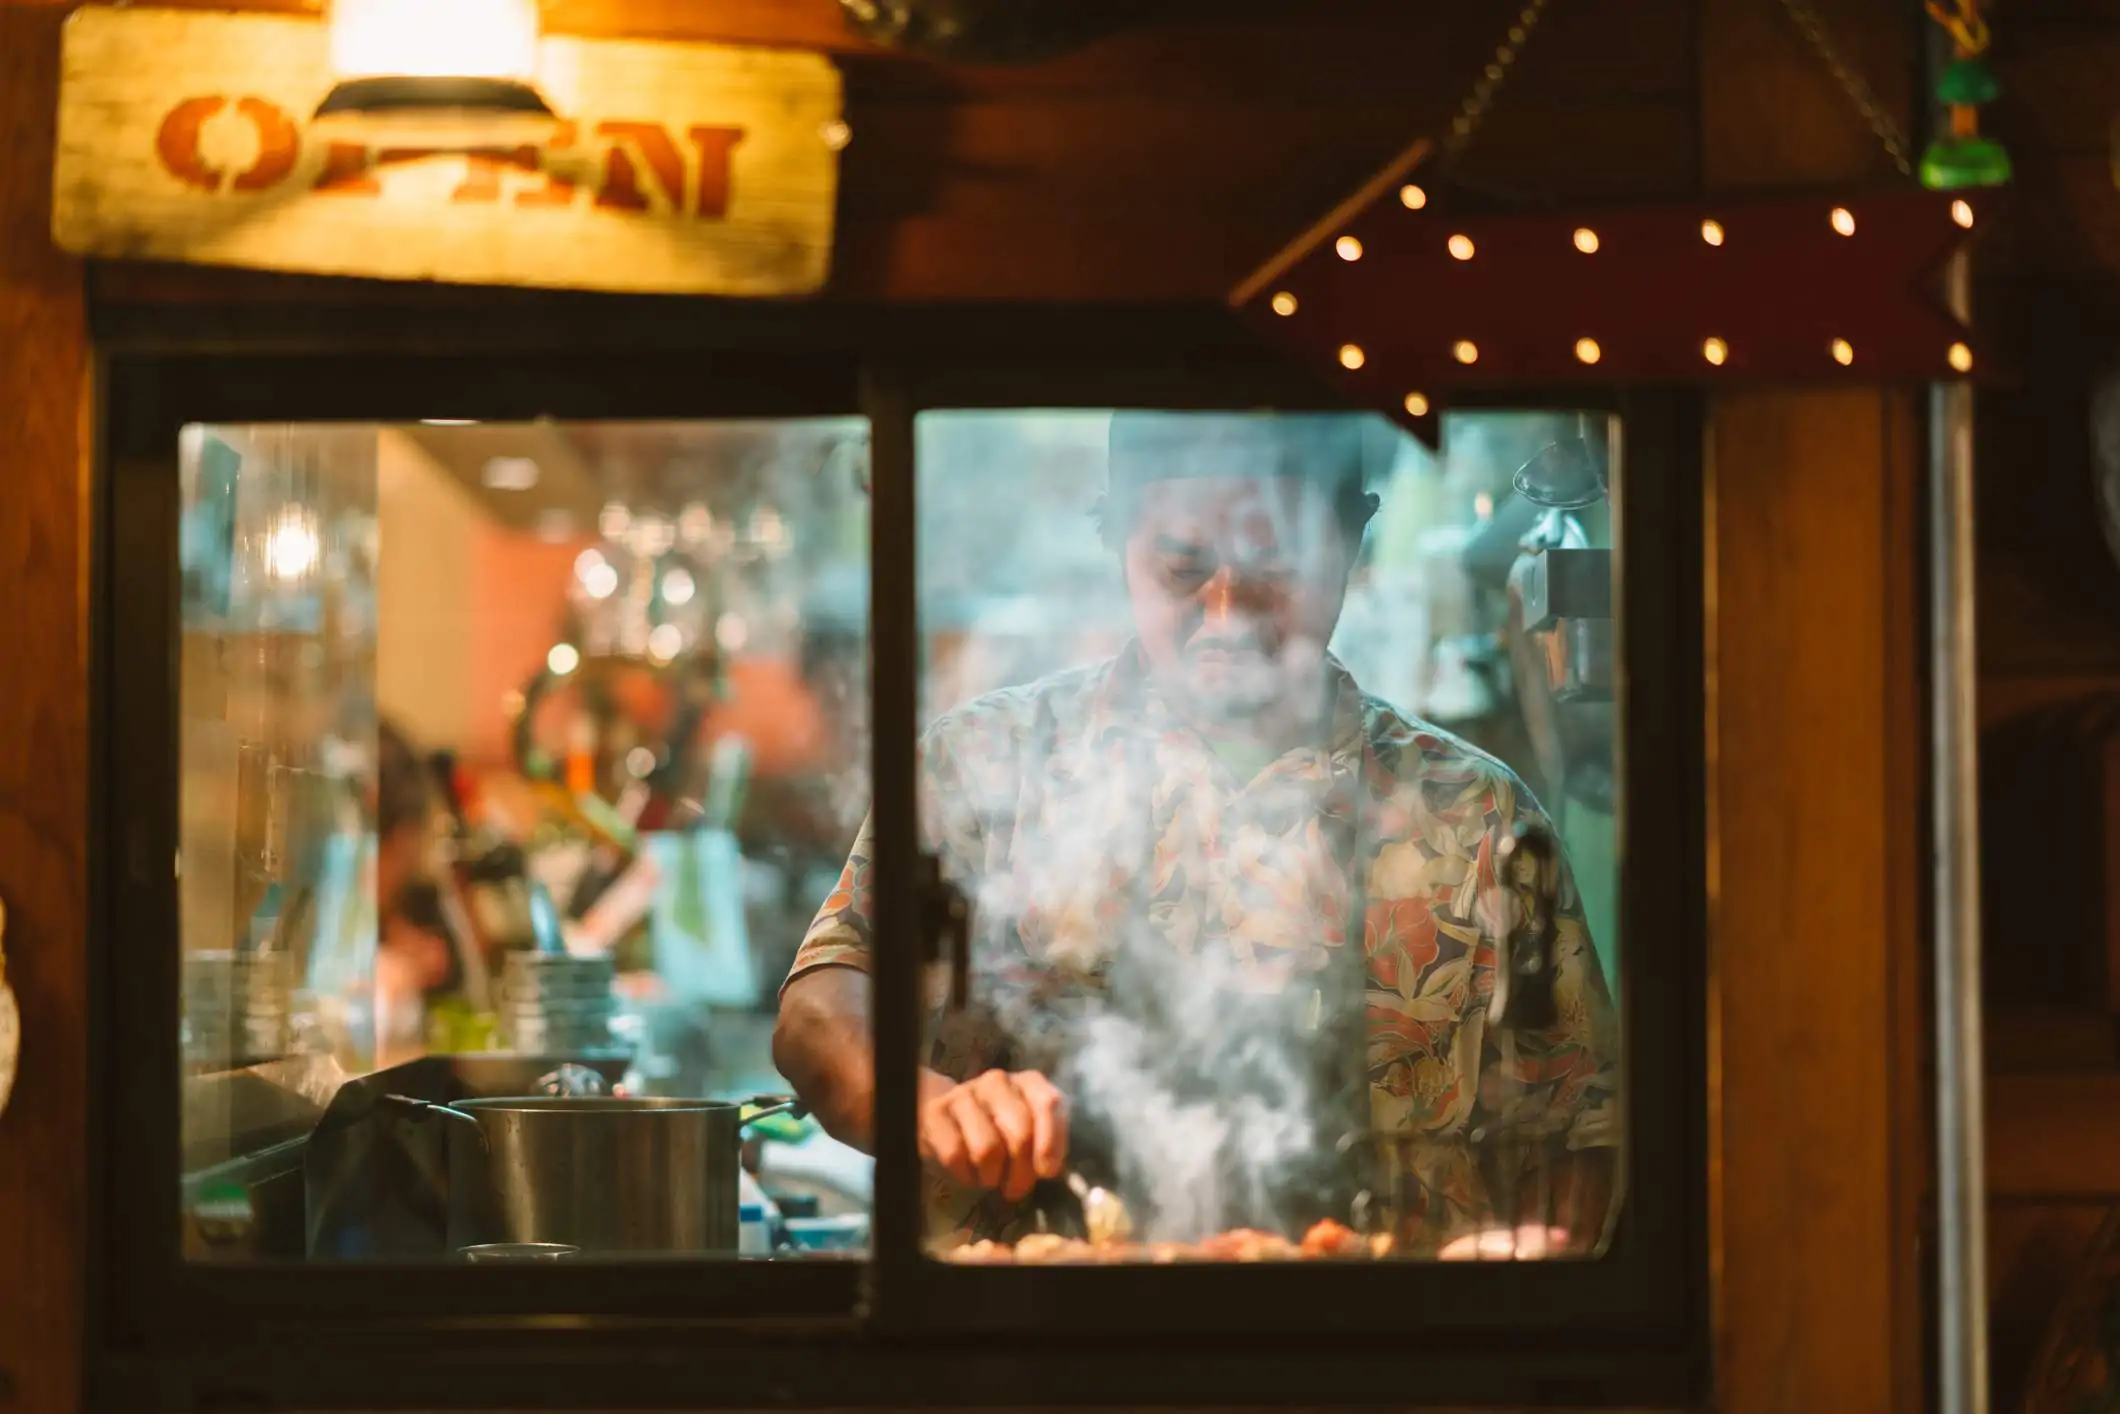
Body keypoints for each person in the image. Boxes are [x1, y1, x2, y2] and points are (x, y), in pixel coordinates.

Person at [773, 413, 1619, 1252]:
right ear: (1117, 546)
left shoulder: (1474, 816)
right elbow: (817, 1014)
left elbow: (1576, 1136)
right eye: (1181, 568)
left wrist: (1531, 1259)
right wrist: (930, 1104)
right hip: (1028, 1355)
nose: (1226, 612)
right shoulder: (981, 769)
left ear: (1351, 546)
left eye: (1274, 568)